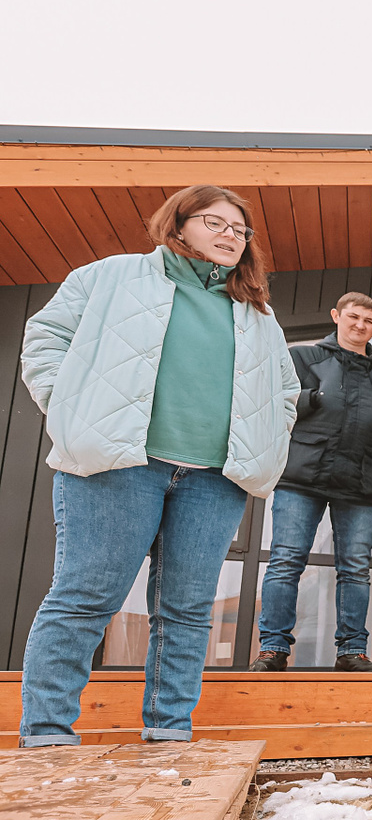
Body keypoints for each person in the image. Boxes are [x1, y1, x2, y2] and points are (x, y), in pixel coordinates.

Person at [15, 185, 298, 747]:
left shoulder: (258, 314)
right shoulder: (111, 275)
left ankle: (169, 734)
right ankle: (46, 737)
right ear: (179, 223)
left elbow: (284, 392)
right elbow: (45, 338)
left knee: (187, 612)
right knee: (84, 599)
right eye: (215, 222)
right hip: (119, 465)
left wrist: (268, 438)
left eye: (240, 230)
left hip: (215, 479)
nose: (230, 235)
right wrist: (71, 411)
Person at [250, 292, 372, 672]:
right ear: (336, 316)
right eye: (353, 317)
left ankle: (352, 652)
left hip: (361, 485)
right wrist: (313, 398)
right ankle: (273, 649)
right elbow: (272, 400)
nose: (360, 325)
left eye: (368, 321)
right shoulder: (303, 359)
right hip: (301, 478)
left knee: (355, 569)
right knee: (286, 562)